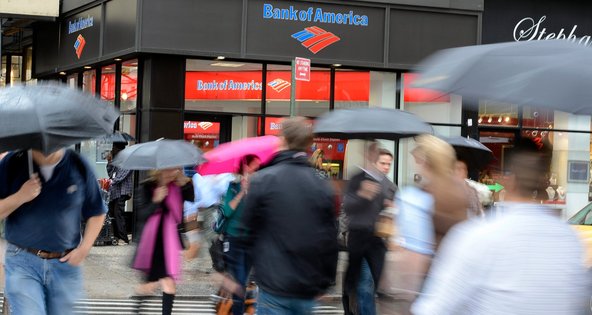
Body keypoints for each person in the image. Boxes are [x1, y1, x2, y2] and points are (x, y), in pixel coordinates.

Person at [412, 138, 590, 314]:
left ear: (508, 180)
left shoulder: (479, 237)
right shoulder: (569, 240)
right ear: (542, 181)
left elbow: (435, 308)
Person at [241, 116, 338, 314]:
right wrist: (326, 281)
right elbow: (330, 239)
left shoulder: (263, 180)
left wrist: (243, 273)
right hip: (307, 286)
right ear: (307, 145)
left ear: (283, 140)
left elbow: (245, 231)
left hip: (273, 283)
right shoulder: (323, 185)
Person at [0, 148, 106, 315]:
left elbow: (97, 212)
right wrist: (20, 196)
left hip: (65, 263)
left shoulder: (78, 164)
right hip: (22, 261)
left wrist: (84, 249)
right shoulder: (12, 163)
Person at [378, 135, 468, 315]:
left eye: (416, 158)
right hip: (454, 284)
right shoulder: (460, 192)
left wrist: (394, 295)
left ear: (425, 161)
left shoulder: (416, 197)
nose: (414, 161)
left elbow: (414, 257)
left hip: (427, 288)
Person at [342, 142, 397, 314]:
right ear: (373, 162)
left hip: (379, 241)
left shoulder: (390, 187)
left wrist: (391, 210)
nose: (386, 167)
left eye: (389, 164)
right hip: (360, 237)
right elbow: (348, 207)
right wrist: (363, 196)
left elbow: (394, 215)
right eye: (383, 163)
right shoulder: (358, 179)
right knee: (364, 283)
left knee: (373, 285)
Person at [132, 168, 194, 315]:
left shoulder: (177, 186)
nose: (172, 172)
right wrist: (156, 200)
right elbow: (142, 215)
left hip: (170, 243)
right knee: (149, 286)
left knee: (169, 283)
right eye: (168, 170)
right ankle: (137, 307)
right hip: (152, 243)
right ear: (158, 171)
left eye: (174, 169)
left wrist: (186, 181)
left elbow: (191, 197)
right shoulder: (147, 187)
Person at [220, 154, 261, 315]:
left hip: (251, 239)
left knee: (246, 280)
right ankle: (237, 311)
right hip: (234, 239)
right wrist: (242, 192)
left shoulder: (257, 188)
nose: (257, 171)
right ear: (245, 167)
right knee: (240, 280)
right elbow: (227, 211)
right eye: (255, 167)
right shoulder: (233, 186)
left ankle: (243, 308)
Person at [106, 142, 133, 244]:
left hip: (123, 190)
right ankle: (116, 236)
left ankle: (123, 238)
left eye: (114, 147)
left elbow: (122, 175)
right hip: (115, 191)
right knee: (112, 212)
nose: (112, 149)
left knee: (118, 213)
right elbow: (110, 173)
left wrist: (113, 181)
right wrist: (109, 162)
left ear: (119, 148)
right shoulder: (117, 159)